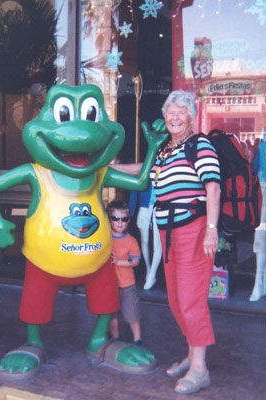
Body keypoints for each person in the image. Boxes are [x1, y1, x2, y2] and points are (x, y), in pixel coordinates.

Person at [111, 89, 221, 395]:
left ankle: (200, 369)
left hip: (195, 230)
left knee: (190, 300)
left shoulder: (200, 145)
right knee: (175, 300)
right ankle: (191, 354)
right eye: (170, 112)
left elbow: (212, 188)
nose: (174, 117)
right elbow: (145, 175)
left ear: (191, 117)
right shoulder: (165, 151)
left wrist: (212, 228)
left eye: (181, 112)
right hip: (168, 232)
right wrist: (106, 169)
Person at [106, 200, 143, 345]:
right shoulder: (105, 238)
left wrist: (119, 262)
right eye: (115, 218)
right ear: (109, 220)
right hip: (109, 284)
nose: (120, 222)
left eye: (124, 219)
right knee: (112, 314)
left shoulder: (131, 241)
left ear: (128, 221)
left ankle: (138, 340)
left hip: (127, 285)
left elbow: (135, 261)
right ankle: (115, 338)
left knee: (132, 314)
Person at [129, 185, 162, 290]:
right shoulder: (144, 168)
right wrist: (130, 211)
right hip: (144, 206)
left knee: (157, 243)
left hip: (161, 206)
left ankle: (152, 273)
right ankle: (148, 268)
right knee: (144, 240)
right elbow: (135, 187)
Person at [250, 131, 266, 301]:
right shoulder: (262, 145)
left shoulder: (262, 145)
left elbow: (254, 168)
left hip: (263, 186)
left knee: (262, 235)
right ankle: (258, 282)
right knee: (261, 235)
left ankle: (259, 283)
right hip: (263, 188)